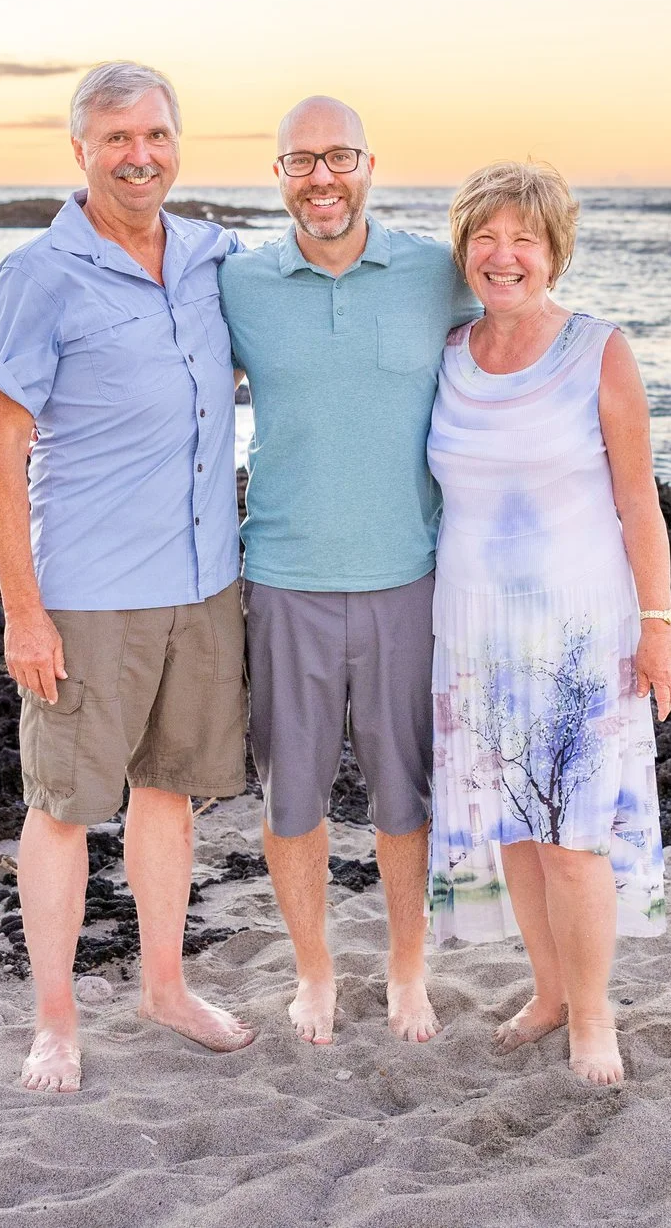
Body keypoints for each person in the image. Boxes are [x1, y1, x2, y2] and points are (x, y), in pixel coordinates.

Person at [0, 60, 256, 1094]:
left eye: (156, 135)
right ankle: (54, 1019)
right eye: (117, 139)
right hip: (90, 590)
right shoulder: (38, 277)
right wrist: (24, 612)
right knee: (62, 805)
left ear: (178, 141)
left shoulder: (211, 256)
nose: (140, 156)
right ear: (81, 151)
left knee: (170, 792)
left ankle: (166, 986)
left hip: (203, 579)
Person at [220, 96, 477, 1045]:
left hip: (409, 577)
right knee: (294, 798)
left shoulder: (433, 273)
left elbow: (519, 322)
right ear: (277, 173)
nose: (321, 177)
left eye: (338, 157)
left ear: (371, 163)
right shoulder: (238, 283)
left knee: (404, 794)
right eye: (301, 161)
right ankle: (315, 972)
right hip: (282, 577)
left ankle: (409, 972)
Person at [425, 160, 671, 1086]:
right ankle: (549, 991)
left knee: (575, 838)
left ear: (553, 252)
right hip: (474, 632)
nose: (503, 257)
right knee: (517, 833)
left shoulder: (598, 350)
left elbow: (639, 501)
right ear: (464, 250)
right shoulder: (448, 353)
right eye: (485, 238)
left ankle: (595, 1016)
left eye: (523, 240)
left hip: (577, 635)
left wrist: (659, 623)